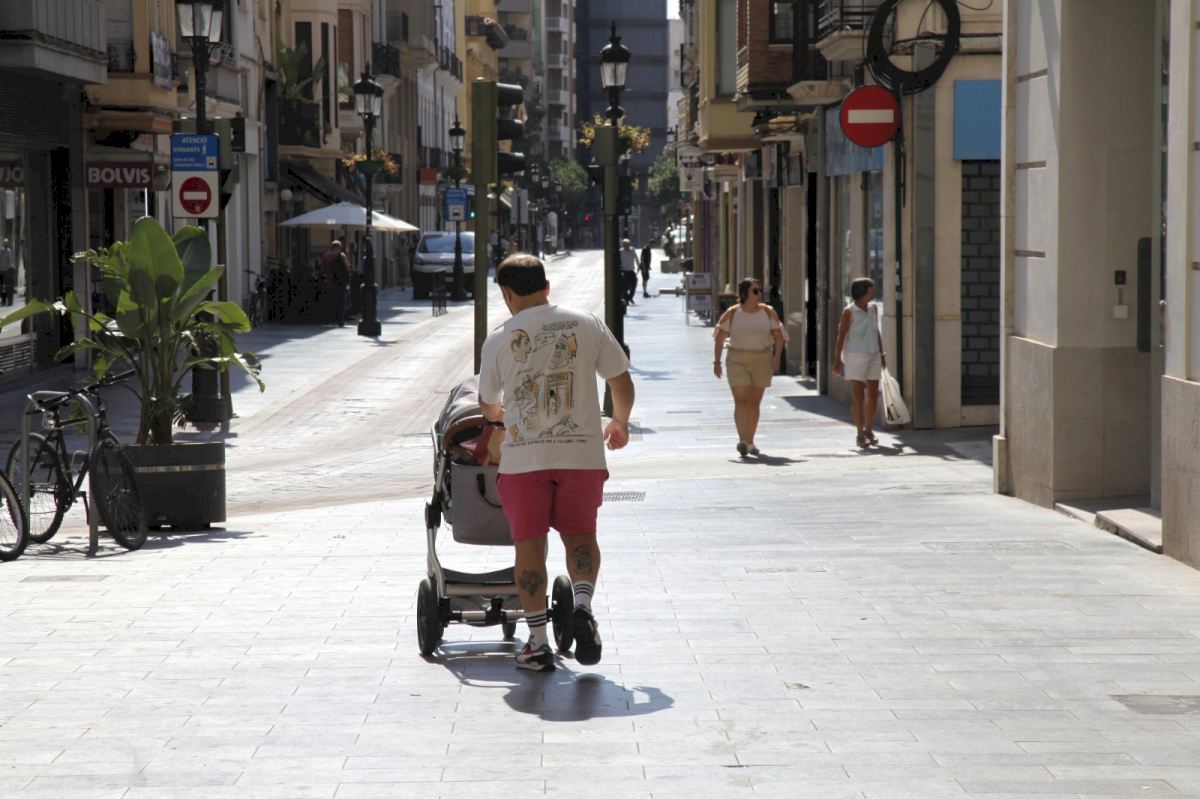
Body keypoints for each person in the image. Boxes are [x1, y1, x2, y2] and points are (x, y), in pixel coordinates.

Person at [478, 253, 635, 672]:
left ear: (506, 293)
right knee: (581, 537)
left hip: (524, 460)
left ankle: (538, 642)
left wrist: (498, 414)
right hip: (581, 455)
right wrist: (619, 422)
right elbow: (620, 380)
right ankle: (582, 606)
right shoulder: (586, 323)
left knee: (529, 547)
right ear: (547, 287)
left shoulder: (499, 339)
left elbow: (488, 404)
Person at [713, 278, 786, 458]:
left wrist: (777, 357)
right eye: (755, 291)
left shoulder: (768, 312)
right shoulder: (732, 313)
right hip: (737, 359)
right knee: (741, 401)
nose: (759, 293)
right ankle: (743, 440)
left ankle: (749, 441)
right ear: (744, 294)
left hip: (762, 358)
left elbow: (779, 337)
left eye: (760, 290)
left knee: (754, 403)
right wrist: (717, 362)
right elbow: (720, 338)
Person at [834, 277, 886, 448]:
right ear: (862, 292)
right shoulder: (849, 311)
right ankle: (859, 433)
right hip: (855, 356)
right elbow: (841, 336)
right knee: (858, 395)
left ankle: (868, 429)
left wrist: (882, 354)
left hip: (873, 354)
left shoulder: (873, 308)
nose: (874, 292)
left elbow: (875, 331)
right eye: (871, 290)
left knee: (873, 394)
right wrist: (837, 360)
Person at [319, 240, 351, 327]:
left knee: (330, 301)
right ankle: (340, 320)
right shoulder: (342, 255)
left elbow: (322, 267)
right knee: (341, 302)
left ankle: (327, 319)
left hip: (330, 281)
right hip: (340, 282)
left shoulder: (326, 255)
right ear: (339, 247)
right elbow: (347, 268)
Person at [618, 238, 638, 305]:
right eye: (625, 244)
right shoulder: (621, 251)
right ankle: (626, 300)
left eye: (628, 244)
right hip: (624, 271)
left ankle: (630, 297)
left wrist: (638, 266)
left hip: (631, 271)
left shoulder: (632, 250)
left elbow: (636, 258)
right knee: (624, 287)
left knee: (634, 284)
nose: (626, 246)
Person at [0, 239, 13, 306]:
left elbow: (10, 261)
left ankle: (7, 300)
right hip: (1, 271)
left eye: (6, 243)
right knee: (2, 286)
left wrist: (8, 268)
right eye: (5, 243)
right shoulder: (1, 251)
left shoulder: (8, 251)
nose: (5, 244)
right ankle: (3, 299)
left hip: (7, 271)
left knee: (7, 286)